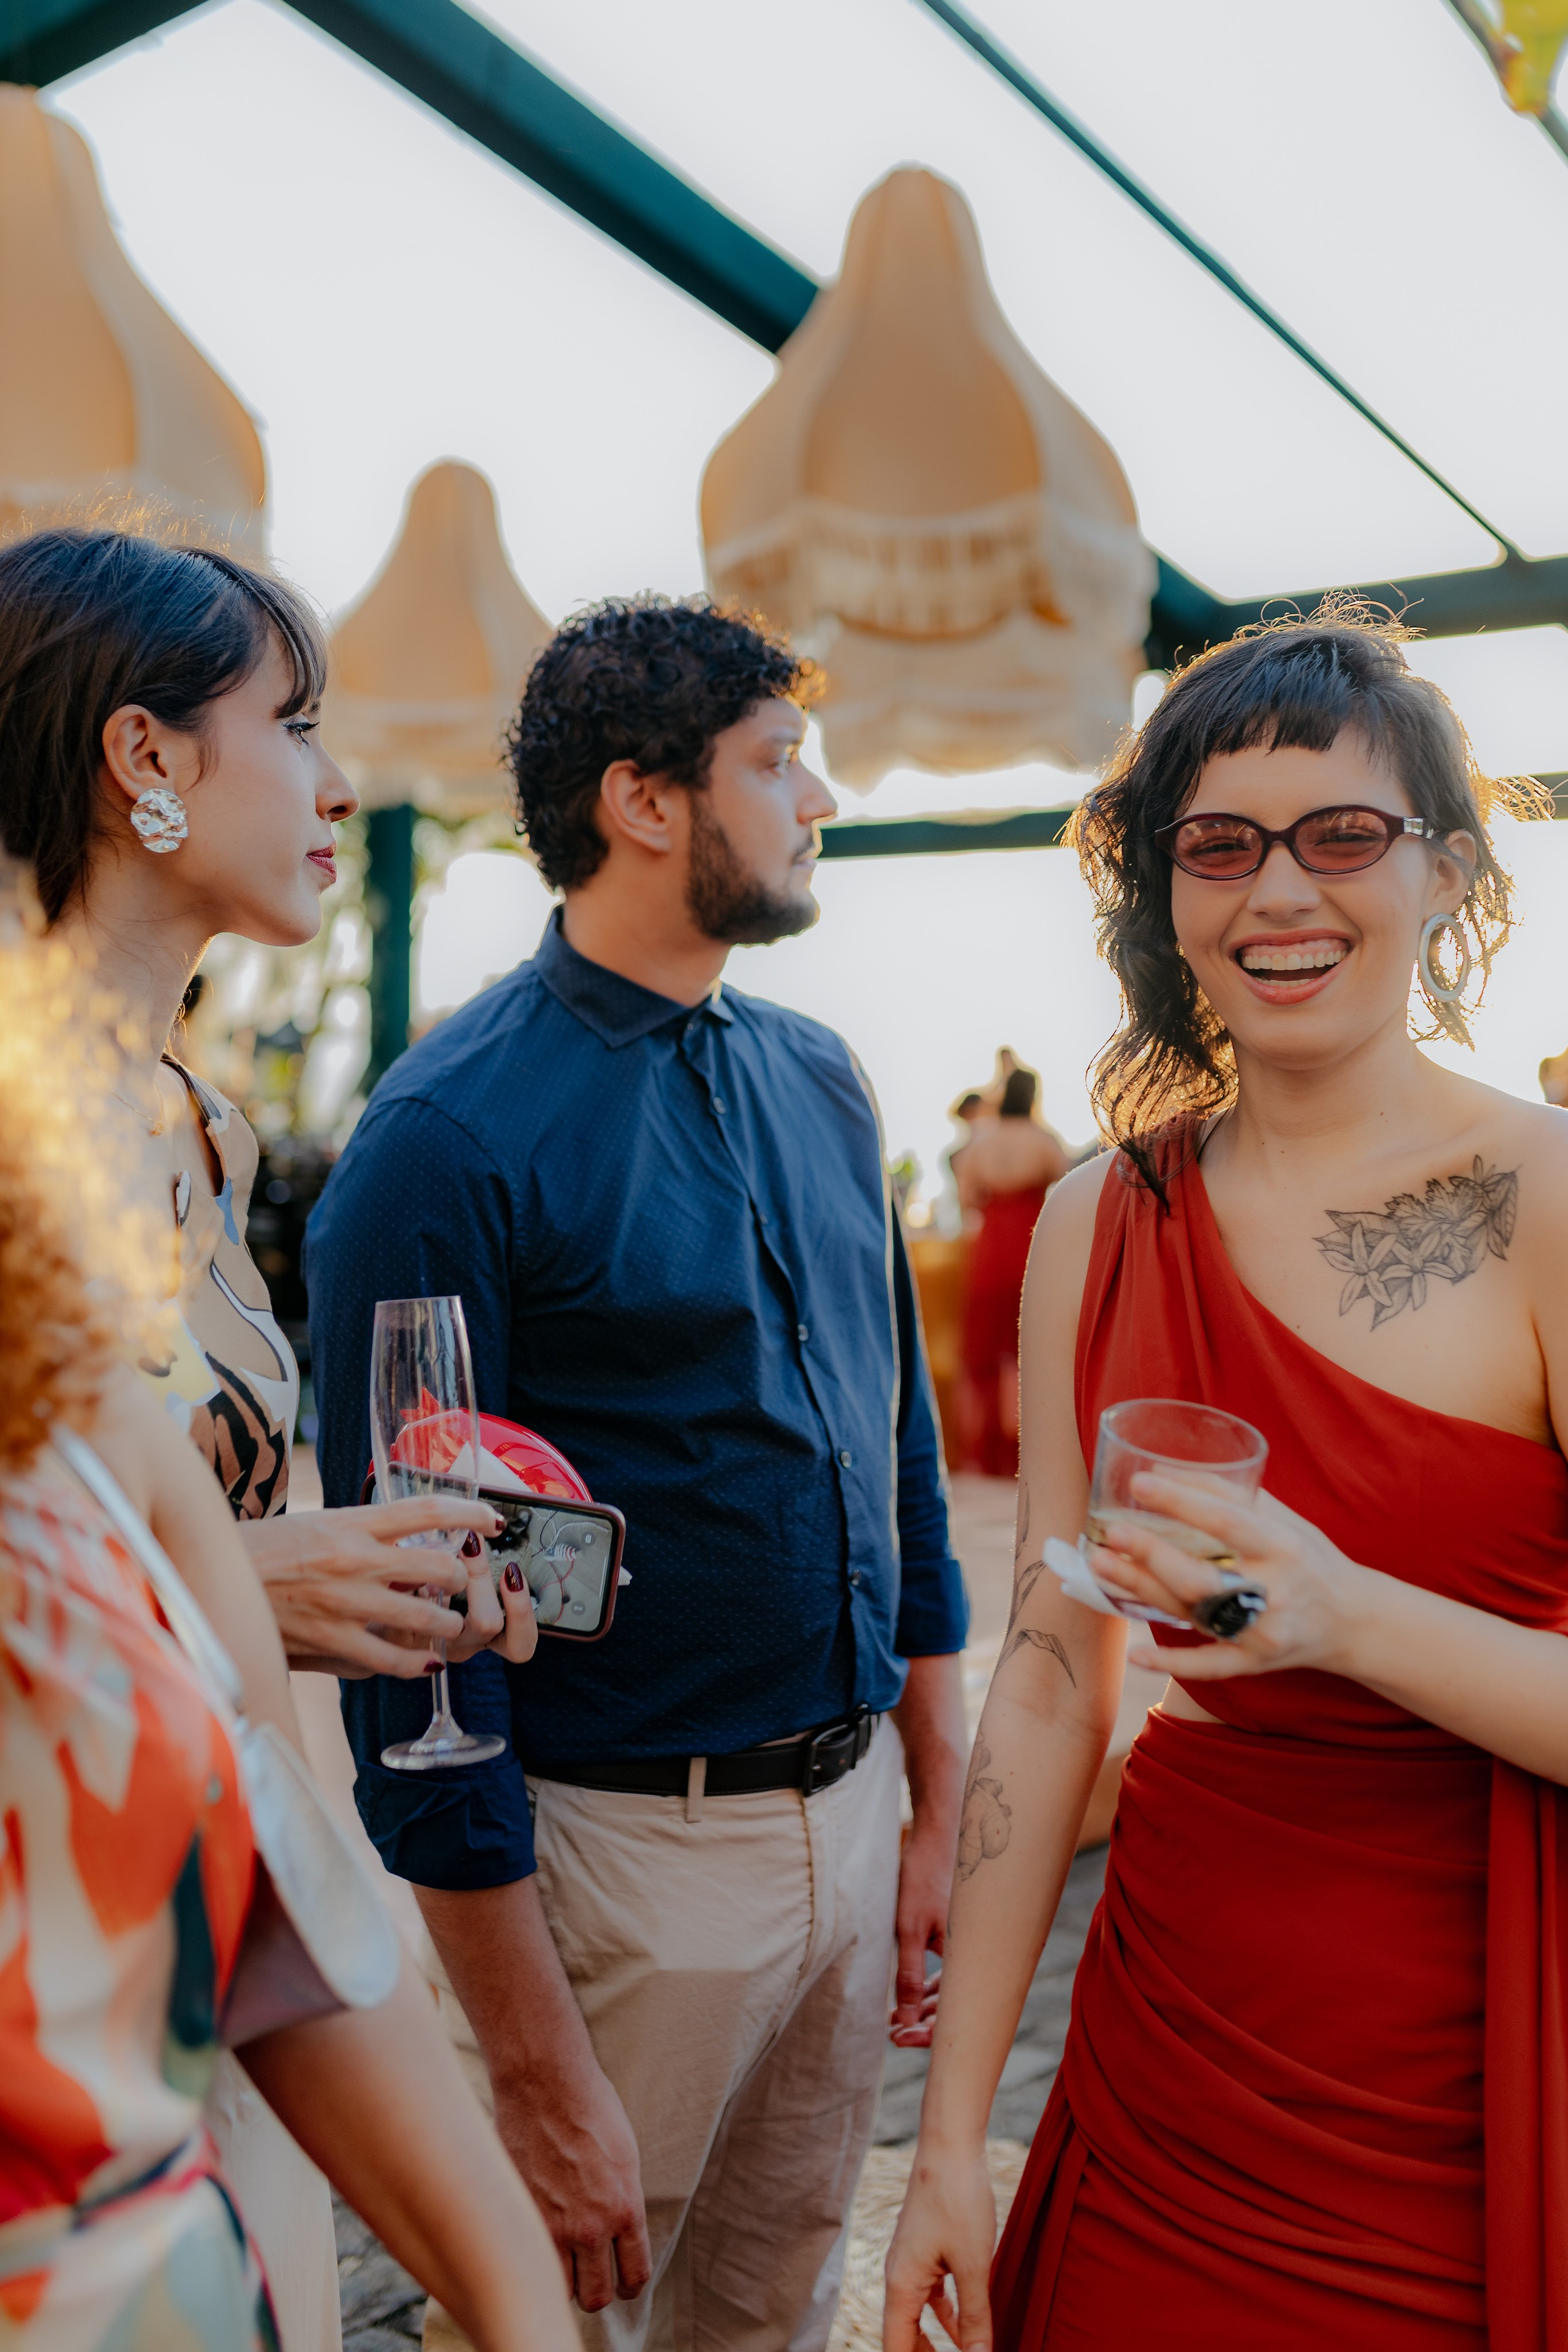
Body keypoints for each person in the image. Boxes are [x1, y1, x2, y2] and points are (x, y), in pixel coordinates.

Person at [885, 614, 1568, 2351]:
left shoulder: (1548, 1204)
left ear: (1445, 870)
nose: (1278, 892)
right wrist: (951, 2134)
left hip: (1485, 2072)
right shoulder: (1103, 1221)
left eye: (1341, 835)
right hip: (1169, 2060)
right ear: (1163, 892)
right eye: (1219, 844)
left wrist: (1345, 1616)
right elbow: (1053, 1678)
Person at [306, 597, 971, 2352]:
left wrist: (934, 1805)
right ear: (646, 800)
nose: (818, 797)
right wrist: (532, 2067)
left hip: (852, 1821)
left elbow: (896, 1457)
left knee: (775, 2315)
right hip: (616, 1870)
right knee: (554, 2328)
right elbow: (413, 1653)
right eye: (778, 760)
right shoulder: (443, 1139)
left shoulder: (824, 1079)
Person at [0, 525, 537, 2351]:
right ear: (142, 757)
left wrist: (370, 1583)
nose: (338, 783)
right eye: (294, 724)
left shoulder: (197, 1129)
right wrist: (260, 1579)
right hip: (66, 1964)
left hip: (246, 1892)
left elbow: (215, 1535)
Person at [956, 1065, 1067, 1474]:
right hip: (1031, 1243)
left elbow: (966, 1198)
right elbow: (1067, 1187)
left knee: (985, 1351)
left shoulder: (980, 1143)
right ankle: (1025, 1448)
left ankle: (984, 1451)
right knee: (1032, 1348)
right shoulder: (1044, 1140)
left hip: (990, 1247)